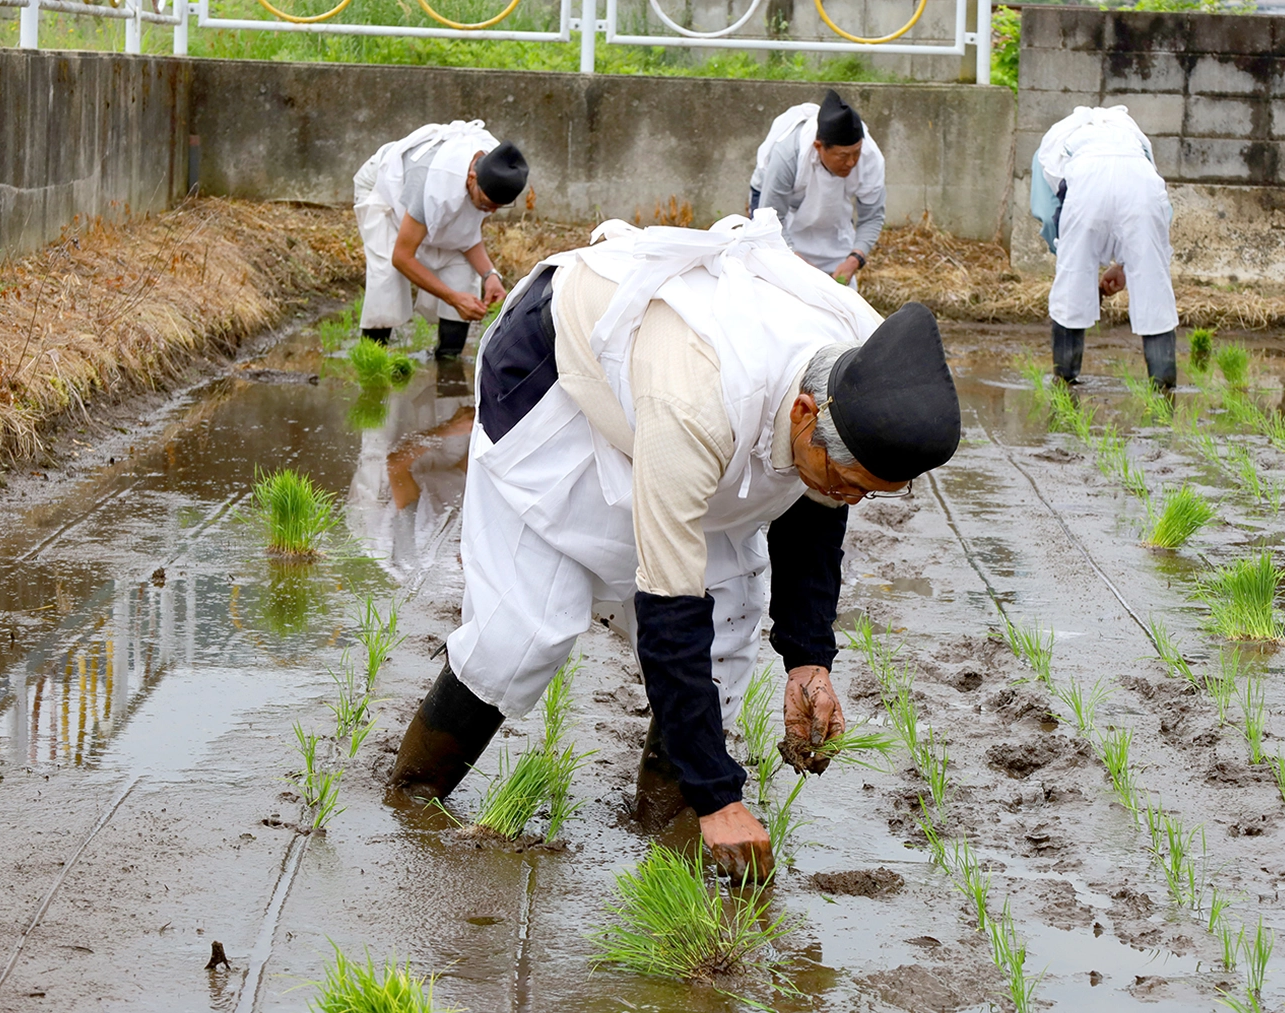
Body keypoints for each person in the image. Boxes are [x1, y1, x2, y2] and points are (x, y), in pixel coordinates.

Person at [388, 209, 961, 882]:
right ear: (806, 413)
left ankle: (665, 817)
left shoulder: (860, 370)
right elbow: (669, 601)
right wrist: (721, 797)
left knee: (725, 629)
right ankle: (413, 794)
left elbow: (817, 512)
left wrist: (809, 659)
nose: (851, 498)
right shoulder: (698, 400)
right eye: (848, 481)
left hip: (680, 403)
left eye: (871, 492)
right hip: (557, 377)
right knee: (525, 631)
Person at [1030, 105, 1179, 388]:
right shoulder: (1134, 140)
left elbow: (1048, 216)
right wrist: (1126, 264)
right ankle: (1163, 384)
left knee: (1071, 288)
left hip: (1084, 185)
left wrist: (1067, 255)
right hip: (1141, 189)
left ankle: (1065, 377)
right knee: (1154, 287)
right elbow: (1159, 213)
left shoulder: (1049, 149)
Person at [352, 120, 529, 359]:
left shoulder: (491, 172)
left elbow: (466, 236)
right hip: (383, 187)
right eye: (487, 204)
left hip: (428, 197)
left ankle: (448, 361)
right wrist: (453, 298)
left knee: (462, 271)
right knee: (387, 275)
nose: (491, 212)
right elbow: (402, 257)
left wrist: (490, 275)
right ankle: (372, 359)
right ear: (472, 177)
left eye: (498, 207)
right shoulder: (431, 184)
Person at [748, 90, 886, 288]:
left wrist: (854, 259)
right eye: (843, 156)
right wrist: (799, 265)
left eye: (856, 153)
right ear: (818, 146)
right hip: (775, 208)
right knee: (780, 280)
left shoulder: (870, 158)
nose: (851, 162)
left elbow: (872, 216)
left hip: (832, 214)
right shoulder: (788, 155)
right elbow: (770, 221)